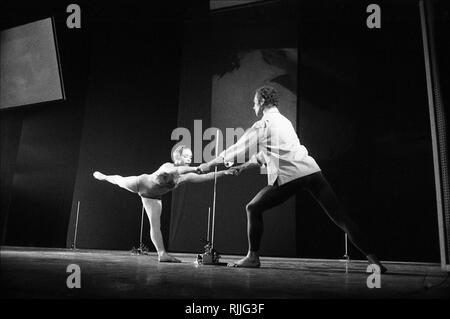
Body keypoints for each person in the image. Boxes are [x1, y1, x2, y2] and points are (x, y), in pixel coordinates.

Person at [197, 85, 387, 273]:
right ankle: (375, 262)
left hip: (291, 176)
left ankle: (253, 257)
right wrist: (244, 167)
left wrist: (208, 165)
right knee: (341, 218)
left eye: (254, 103)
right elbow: (268, 154)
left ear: (262, 102)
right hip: (312, 172)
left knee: (253, 208)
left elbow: (234, 150)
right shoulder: (285, 121)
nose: (253, 107)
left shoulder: (262, 125)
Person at [93, 145, 238, 263]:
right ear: (177, 157)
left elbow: (206, 177)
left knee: (155, 225)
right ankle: (105, 177)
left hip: (154, 197)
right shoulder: (168, 166)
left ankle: (162, 254)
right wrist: (195, 168)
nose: (189, 159)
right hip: (140, 183)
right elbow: (175, 170)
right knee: (119, 181)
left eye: (191, 157)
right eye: (187, 156)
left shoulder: (183, 177)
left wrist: (225, 172)